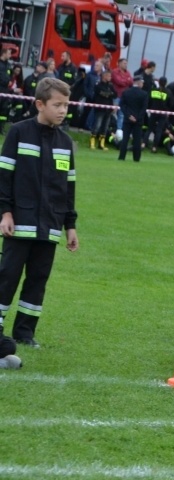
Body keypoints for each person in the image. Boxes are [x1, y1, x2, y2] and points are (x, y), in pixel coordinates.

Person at [0, 78, 79, 351]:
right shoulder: (18, 133)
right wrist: (5, 212)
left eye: (66, 105)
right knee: (8, 274)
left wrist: (70, 225)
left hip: (50, 225)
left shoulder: (66, 142)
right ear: (39, 104)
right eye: (57, 105)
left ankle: (25, 331)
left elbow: (69, 187)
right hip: (20, 222)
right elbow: (4, 177)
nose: (62, 110)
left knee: (38, 278)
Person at [117, 75, 148, 162]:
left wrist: (128, 115)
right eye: (142, 82)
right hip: (138, 121)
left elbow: (122, 105)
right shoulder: (144, 94)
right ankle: (136, 158)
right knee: (137, 140)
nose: (142, 84)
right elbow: (143, 108)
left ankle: (121, 157)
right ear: (138, 82)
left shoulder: (126, 92)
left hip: (127, 119)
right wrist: (137, 117)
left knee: (125, 139)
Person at [91, 69, 116, 150]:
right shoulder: (98, 84)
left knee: (105, 127)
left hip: (108, 109)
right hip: (100, 109)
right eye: (109, 76)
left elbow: (115, 94)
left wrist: (109, 94)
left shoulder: (111, 85)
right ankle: (92, 142)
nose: (110, 77)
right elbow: (102, 93)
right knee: (97, 126)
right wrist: (109, 94)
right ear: (104, 76)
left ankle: (101, 144)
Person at [111, 58, 133, 132]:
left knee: (121, 114)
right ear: (119, 63)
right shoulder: (115, 71)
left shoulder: (128, 72)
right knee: (113, 112)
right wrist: (126, 80)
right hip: (116, 95)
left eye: (126, 63)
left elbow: (131, 82)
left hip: (124, 97)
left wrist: (125, 81)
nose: (126, 65)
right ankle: (112, 127)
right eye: (124, 63)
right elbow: (118, 81)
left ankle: (119, 129)